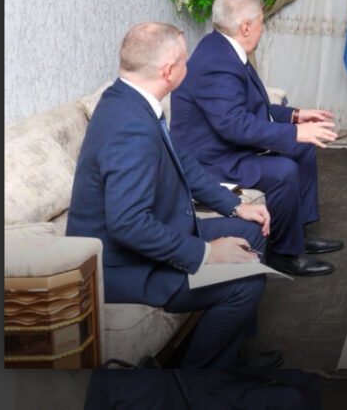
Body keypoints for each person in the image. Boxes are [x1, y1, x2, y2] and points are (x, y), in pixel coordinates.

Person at [67, 22, 273, 369]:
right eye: (185, 61)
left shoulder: (128, 98)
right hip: (122, 265)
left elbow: (183, 163)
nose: (188, 67)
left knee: (249, 231)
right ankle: (195, 383)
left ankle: (233, 353)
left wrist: (236, 206)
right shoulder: (131, 128)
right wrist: (207, 252)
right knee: (246, 282)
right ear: (168, 71)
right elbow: (129, 225)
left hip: (154, 230)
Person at [170, 0, 342, 278]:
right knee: (283, 170)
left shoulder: (222, 48)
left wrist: (295, 116)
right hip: (210, 161)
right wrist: (294, 132)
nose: (264, 28)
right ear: (246, 27)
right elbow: (234, 125)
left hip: (225, 148)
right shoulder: (217, 64)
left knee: (302, 149)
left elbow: (250, 106)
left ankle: (297, 233)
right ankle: (284, 256)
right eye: (262, 22)